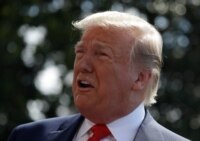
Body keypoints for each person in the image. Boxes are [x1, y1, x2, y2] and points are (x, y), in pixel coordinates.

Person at [8, 11, 189, 141]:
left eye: (101, 54)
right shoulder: (27, 136)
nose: (83, 65)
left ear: (140, 78)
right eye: (80, 52)